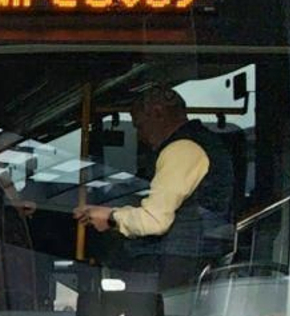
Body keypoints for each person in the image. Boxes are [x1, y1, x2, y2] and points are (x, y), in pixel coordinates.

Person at [74, 87, 236, 290]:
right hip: (199, 259)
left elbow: (155, 221)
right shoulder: (205, 144)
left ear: (158, 113)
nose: (140, 136)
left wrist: (111, 217)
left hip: (178, 264)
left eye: (140, 126)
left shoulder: (182, 149)